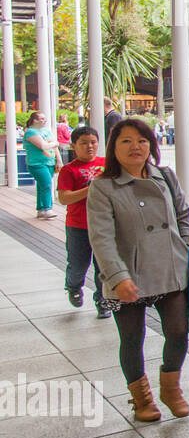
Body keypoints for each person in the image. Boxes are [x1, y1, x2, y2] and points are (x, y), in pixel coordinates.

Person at [86, 118, 189, 420]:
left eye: (142, 140)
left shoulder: (165, 176)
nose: (135, 146)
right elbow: (101, 238)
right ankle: (142, 399)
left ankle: (171, 388)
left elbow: (184, 213)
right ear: (114, 147)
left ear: (151, 144)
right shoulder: (102, 186)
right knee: (133, 338)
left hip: (169, 269)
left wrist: (183, 244)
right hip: (127, 276)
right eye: (126, 141)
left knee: (178, 332)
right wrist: (118, 276)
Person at [57, 125, 111, 319]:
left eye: (93, 142)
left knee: (103, 266)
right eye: (84, 143)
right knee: (78, 264)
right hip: (78, 226)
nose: (90, 146)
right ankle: (73, 286)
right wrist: (90, 190)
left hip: (104, 227)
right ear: (73, 146)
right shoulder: (68, 170)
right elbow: (64, 198)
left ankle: (103, 301)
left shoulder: (107, 164)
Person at [23, 111, 59, 220]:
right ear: (35, 120)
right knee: (47, 184)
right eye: (41, 119)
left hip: (49, 162)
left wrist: (59, 160)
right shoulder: (30, 132)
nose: (44, 121)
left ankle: (41, 209)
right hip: (36, 163)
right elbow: (43, 146)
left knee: (41, 185)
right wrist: (54, 143)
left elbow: (53, 148)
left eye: (44, 119)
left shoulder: (46, 131)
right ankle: (48, 208)